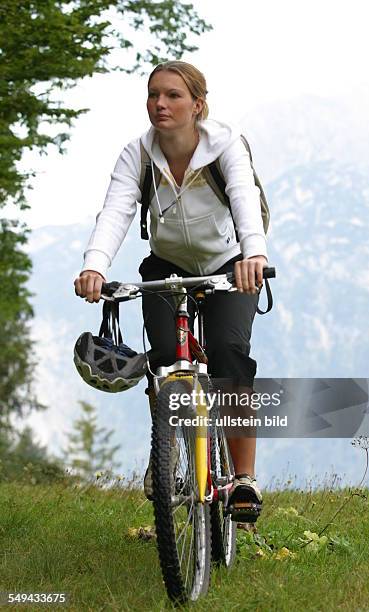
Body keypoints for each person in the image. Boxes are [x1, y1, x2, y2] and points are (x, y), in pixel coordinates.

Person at [74, 60, 268, 521]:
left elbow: (243, 198)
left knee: (228, 355)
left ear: (197, 105)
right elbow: (116, 212)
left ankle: (243, 479)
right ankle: (169, 457)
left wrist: (253, 255)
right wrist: (94, 267)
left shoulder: (226, 146)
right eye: (153, 94)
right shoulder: (137, 154)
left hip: (228, 265)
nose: (160, 104)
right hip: (167, 266)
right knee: (163, 357)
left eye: (173, 95)